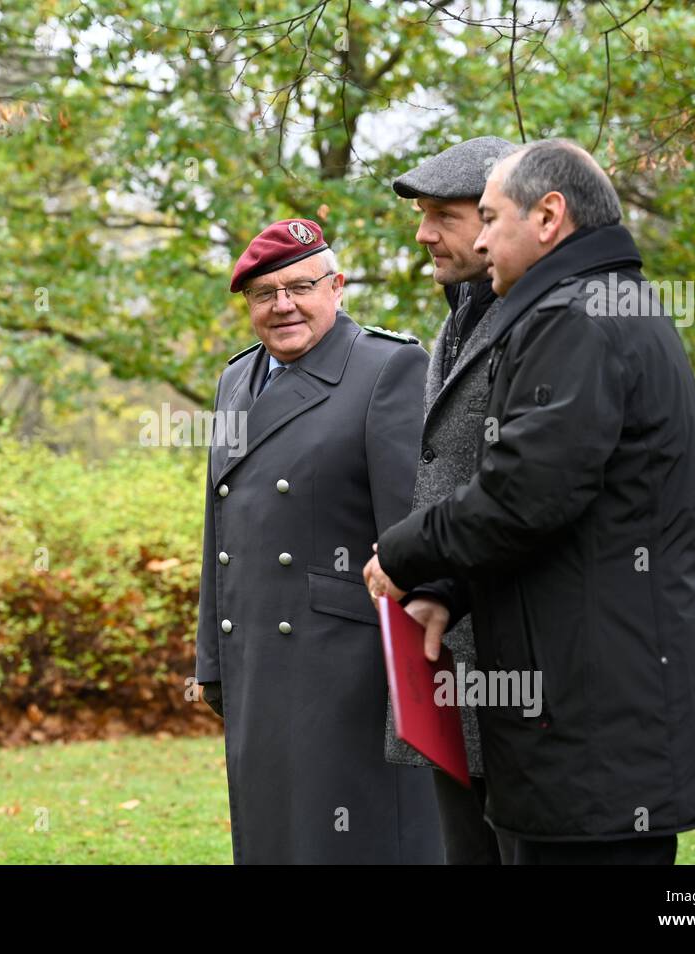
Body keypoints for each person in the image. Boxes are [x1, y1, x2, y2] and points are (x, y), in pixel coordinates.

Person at [363, 140, 695, 864]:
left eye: (490, 217)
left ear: (550, 217)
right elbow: (564, 514)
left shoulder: (577, 319)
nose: (483, 237)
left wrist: (406, 553)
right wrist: (452, 593)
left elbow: (525, 492)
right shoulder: (593, 306)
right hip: (588, 720)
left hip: (590, 729)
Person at [195, 217, 443, 864]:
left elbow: (411, 538)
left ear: (337, 286)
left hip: (349, 676)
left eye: (300, 287)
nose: (282, 306)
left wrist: (418, 688)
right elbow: (218, 533)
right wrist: (212, 663)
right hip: (255, 663)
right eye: (263, 293)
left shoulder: (388, 370)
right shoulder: (235, 380)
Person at [385, 135, 516, 865]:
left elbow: (522, 489)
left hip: (516, 666)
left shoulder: (536, 320)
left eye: (444, 215)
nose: (423, 232)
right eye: (421, 214)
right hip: (454, 665)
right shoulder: (458, 313)